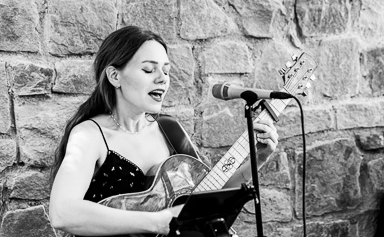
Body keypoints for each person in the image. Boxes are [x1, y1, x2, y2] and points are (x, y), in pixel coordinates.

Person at [49, 26, 279, 237]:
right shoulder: (90, 135)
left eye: (166, 71)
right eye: (149, 70)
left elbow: (207, 199)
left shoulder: (170, 130)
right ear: (114, 76)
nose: (163, 79)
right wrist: (158, 222)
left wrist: (258, 157)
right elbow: (62, 213)